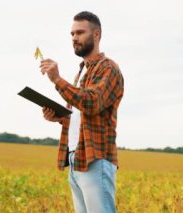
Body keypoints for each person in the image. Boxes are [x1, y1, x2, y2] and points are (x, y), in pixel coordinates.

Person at [40, 11, 124, 213]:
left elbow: (91, 103)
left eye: (80, 32)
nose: (74, 38)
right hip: (76, 158)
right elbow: (81, 116)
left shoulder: (108, 68)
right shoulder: (81, 71)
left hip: (96, 159)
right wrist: (60, 117)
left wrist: (57, 81)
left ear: (96, 35)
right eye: (72, 34)